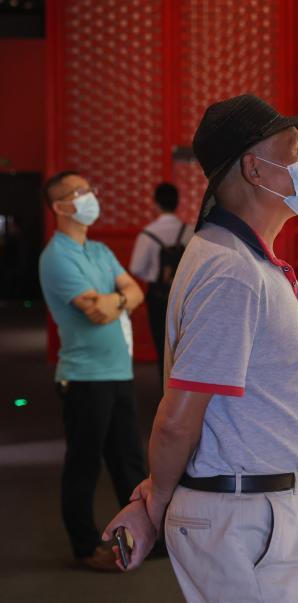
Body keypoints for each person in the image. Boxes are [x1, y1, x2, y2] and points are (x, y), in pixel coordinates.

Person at [104, 95, 298, 602]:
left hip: (253, 508)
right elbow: (178, 416)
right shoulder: (232, 270)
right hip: (240, 515)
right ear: (254, 168)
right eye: (294, 151)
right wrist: (154, 506)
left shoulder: (238, 259)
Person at [38, 171, 148, 572]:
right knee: (85, 465)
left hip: (119, 372)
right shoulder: (56, 257)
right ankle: (86, 547)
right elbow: (97, 312)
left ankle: (143, 536)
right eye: (79, 192)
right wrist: (122, 299)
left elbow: (134, 291)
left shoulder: (100, 251)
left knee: (130, 462)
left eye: (89, 189)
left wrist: (116, 298)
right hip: (84, 377)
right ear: (60, 207)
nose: (89, 197)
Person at [129, 182, 192, 383]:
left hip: (158, 296)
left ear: (156, 203)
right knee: (187, 343)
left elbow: (136, 267)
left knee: (161, 343)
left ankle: (165, 387)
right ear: (178, 203)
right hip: (186, 294)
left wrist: (155, 275)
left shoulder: (148, 234)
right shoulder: (189, 230)